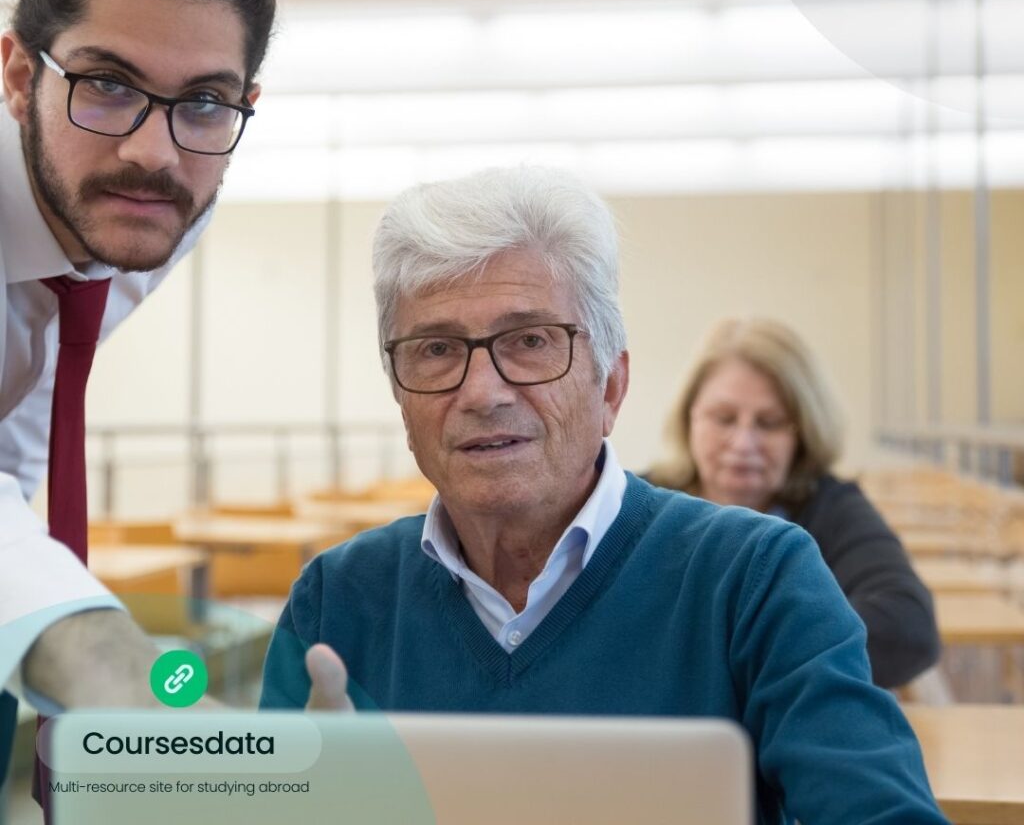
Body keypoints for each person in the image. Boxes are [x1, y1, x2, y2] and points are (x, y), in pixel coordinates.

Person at [261, 167, 948, 825]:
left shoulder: (756, 580)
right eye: (436, 350)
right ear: (400, 396)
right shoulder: (336, 601)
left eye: (530, 341)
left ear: (611, 387)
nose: (481, 392)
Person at [0, 0, 275, 753]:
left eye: (203, 101)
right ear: (15, 73)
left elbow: (26, 412)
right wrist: (88, 643)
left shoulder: (165, 200)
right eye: (108, 86)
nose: (154, 152)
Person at [645, 317, 940, 690]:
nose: (742, 444)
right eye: (723, 418)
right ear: (690, 419)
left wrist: (737, 668)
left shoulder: (831, 507)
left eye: (769, 423)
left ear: (803, 432)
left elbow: (907, 625)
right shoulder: (638, 505)